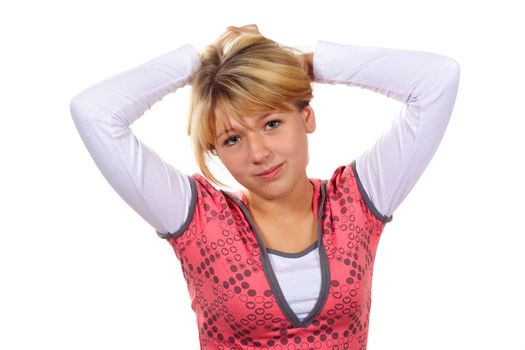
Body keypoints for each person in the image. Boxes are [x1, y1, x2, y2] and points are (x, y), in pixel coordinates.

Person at [70, 24, 460, 350]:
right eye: (232, 139)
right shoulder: (198, 219)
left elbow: (437, 79)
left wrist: (303, 65)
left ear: (306, 117)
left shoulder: (358, 200)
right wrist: (201, 64)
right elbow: (95, 112)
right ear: (216, 151)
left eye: (272, 123)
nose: (259, 153)